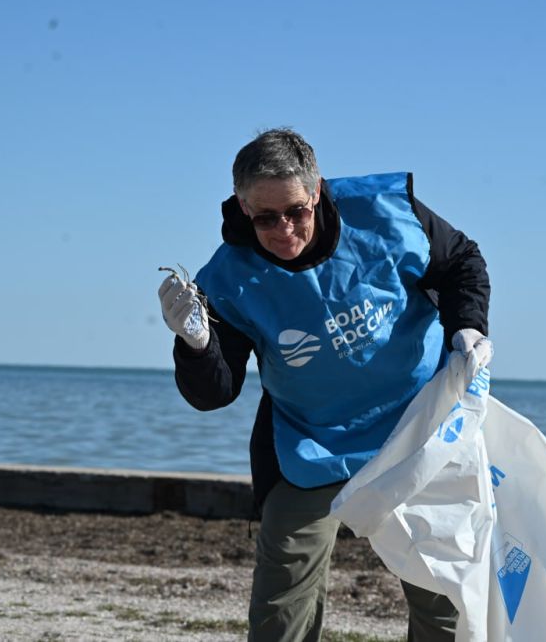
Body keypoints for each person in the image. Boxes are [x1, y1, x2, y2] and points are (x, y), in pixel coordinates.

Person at [158, 128, 491, 641]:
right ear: (244, 208)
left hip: (416, 428)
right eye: (265, 217)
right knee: (281, 598)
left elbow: (461, 263)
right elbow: (214, 394)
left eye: (295, 210)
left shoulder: (387, 213)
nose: (284, 229)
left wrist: (467, 327)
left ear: (316, 191)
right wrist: (196, 346)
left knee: (441, 590)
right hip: (308, 442)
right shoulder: (227, 278)